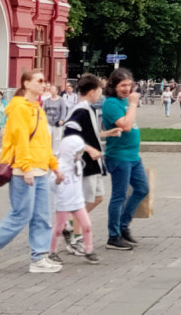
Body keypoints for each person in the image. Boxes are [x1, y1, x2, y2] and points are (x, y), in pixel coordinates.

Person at [0, 70, 65, 274]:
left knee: (41, 216)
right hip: (24, 170)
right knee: (21, 214)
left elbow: (43, 142)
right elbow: (20, 140)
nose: (44, 84)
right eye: (39, 81)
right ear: (26, 84)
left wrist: (54, 166)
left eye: (44, 81)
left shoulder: (37, 109)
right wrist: (26, 168)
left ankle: (39, 257)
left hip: (40, 169)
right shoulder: (19, 109)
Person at [65, 74, 122, 254]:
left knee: (97, 198)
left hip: (94, 163)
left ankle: (69, 225)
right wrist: (88, 149)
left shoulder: (88, 110)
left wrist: (107, 133)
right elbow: (69, 136)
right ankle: (75, 237)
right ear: (91, 91)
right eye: (98, 91)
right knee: (83, 201)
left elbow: (90, 134)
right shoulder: (79, 111)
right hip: (85, 164)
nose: (100, 94)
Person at [101, 68, 149, 250]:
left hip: (133, 156)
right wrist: (134, 104)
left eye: (129, 85)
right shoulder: (111, 104)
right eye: (123, 85)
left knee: (142, 188)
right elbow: (127, 126)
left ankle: (123, 225)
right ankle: (113, 236)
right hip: (119, 156)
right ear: (114, 86)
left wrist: (130, 104)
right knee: (119, 196)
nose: (127, 89)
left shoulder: (124, 102)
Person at [48, 121, 100, 265]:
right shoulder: (60, 166)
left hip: (77, 201)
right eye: (77, 153)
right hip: (63, 203)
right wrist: (58, 180)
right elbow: (51, 185)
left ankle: (89, 251)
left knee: (87, 225)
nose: (79, 155)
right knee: (58, 229)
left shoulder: (78, 164)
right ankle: (51, 252)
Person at [43, 85, 66, 154]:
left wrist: (62, 119)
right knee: (48, 136)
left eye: (53, 89)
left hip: (57, 122)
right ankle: (48, 151)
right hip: (48, 121)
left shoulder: (61, 100)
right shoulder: (47, 100)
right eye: (51, 89)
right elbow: (43, 110)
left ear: (57, 91)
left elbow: (63, 110)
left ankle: (56, 153)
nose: (51, 90)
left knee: (57, 138)